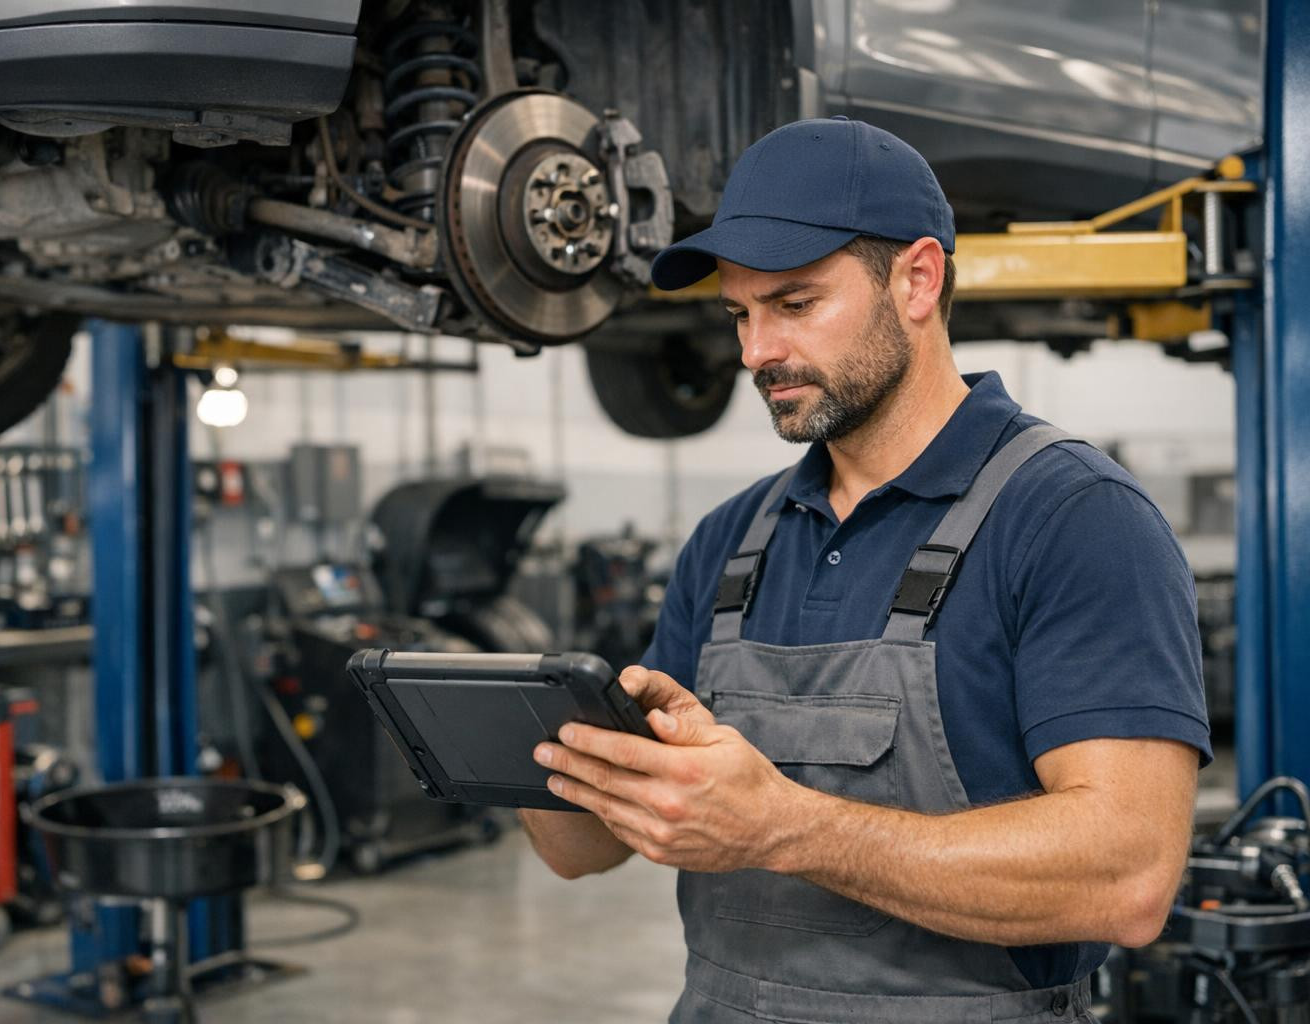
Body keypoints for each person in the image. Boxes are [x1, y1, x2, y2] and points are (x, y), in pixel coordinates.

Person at [517, 117, 1209, 1024]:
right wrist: (524, 755)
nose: (755, 353)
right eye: (741, 313)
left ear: (917, 279)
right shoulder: (732, 540)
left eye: (795, 305)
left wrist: (786, 826)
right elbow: (581, 853)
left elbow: (1127, 877)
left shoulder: (1075, 520)